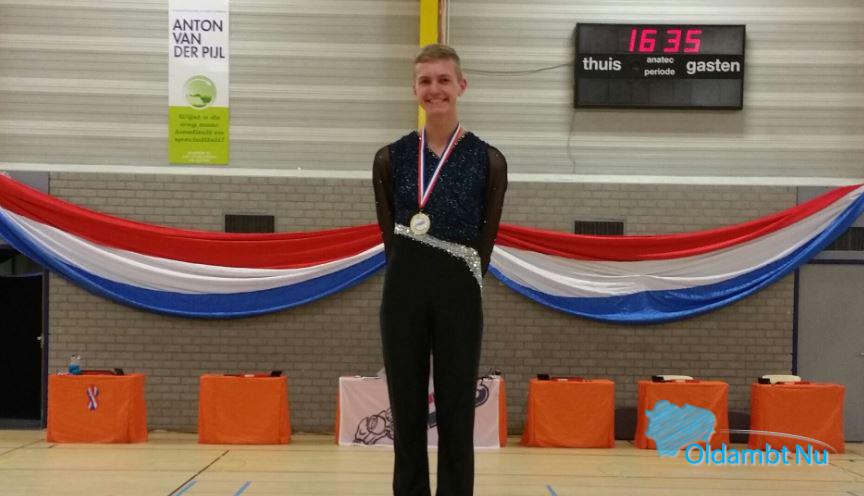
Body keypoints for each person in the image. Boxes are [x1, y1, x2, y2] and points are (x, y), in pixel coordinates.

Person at [372, 44, 508, 496]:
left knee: (456, 410)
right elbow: (390, 238)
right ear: (414, 89)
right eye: (426, 81)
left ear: (461, 86)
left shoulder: (489, 160)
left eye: (444, 80)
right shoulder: (390, 158)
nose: (435, 90)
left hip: (460, 290)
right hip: (404, 289)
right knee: (406, 408)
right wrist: (413, 274)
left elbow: (485, 241)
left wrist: (457, 281)